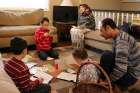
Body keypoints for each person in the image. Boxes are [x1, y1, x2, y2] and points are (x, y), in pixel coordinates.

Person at [100, 18, 140, 92]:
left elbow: (121, 69)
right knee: (107, 56)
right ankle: (113, 84)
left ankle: (108, 84)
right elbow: (118, 59)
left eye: (101, 30)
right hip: (128, 70)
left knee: (106, 56)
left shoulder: (122, 41)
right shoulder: (119, 36)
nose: (100, 34)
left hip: (130, 76)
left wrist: (107, 81)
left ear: (108, 28)